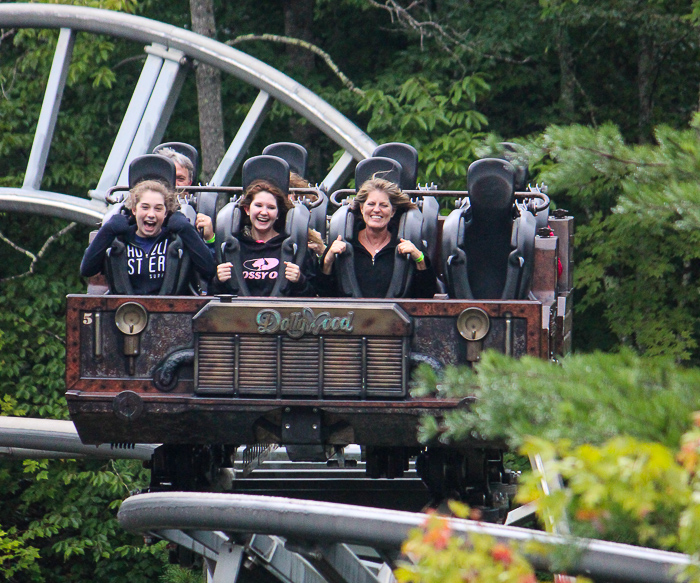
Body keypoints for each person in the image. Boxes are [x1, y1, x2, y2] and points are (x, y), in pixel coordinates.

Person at [80, 180, 216, 294]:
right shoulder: (119, 240)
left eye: (158, 209)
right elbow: (87, 269)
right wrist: (107, 231)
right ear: (134, 210)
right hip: (125, 315)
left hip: (172, 313)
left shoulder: (176, 240)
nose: (151, 214)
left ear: (165, 213)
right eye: (145, 207)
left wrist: (186, 229)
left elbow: (209, 269)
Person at [317, 177, 439, 298]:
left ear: (392, 211)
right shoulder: (342, 243)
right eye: (371, 204)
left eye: (384, 205)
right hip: (351, 316)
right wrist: (327, 262)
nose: (376, 210)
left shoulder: (408, 244)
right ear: (362, 208)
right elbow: (324, 294)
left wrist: (419, 259)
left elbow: (426, 295)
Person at [215, 179, 316, 296]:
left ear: (278, 214)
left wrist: (300, 280)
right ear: (247, 209)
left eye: (271, 208)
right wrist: (218, 281)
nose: (264, 212)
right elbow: (211, 294)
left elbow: (314, 295)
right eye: (258, 205)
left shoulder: (294, 248)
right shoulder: (231, 248)